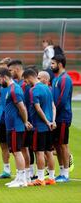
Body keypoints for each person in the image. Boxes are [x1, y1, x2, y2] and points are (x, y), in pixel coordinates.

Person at [0, 68, 32, 188]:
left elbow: (22, 108)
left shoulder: (14, 90)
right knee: (15, 152)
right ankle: (18, 177)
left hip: (16, 127)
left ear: (5, 77)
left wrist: (25, 121)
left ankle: (22, 180)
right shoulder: (8, 89)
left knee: (17, 152)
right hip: (11, 126)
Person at [23, 68, 57, 186]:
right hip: (48, 126)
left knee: (39, 152)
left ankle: (41, 178)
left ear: (29, 77)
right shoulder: (47, 88)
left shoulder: (34, 90)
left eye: (25, 80)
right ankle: (52, 178)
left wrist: (47, 121)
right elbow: (53, 106)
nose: (25, 83)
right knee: (49, 152)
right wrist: (52, 121)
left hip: (39, 126)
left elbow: (37, 108)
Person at [8, 60, 33, 182]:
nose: (9, 73)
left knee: (24, 148)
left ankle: (26, 175)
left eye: (10, 70)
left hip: (25, 121)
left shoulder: (24, 85)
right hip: (24, 120)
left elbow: (24, 105)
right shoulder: (20, 84)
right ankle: (26, 175)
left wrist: (26, 120)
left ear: (17, 70)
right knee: (23, 148)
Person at [50, 54, 72, 183]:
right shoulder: (55, 79)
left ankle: (66, 174)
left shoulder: (66, 79)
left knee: (63, 145)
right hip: (55, 117)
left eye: (53, 64)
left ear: (60, 64)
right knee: (56, 145)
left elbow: (62, 100)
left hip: (63, 116)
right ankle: (61, 172)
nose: (51, 66)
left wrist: (53, 111)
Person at [0, 57, 13, 179]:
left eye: (3, 68)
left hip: (13, 120)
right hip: (2, 119)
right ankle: (6, 169)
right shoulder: (0, 85)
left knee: (20, 147)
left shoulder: (15, 85)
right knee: (3, 144)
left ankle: (29, 171)